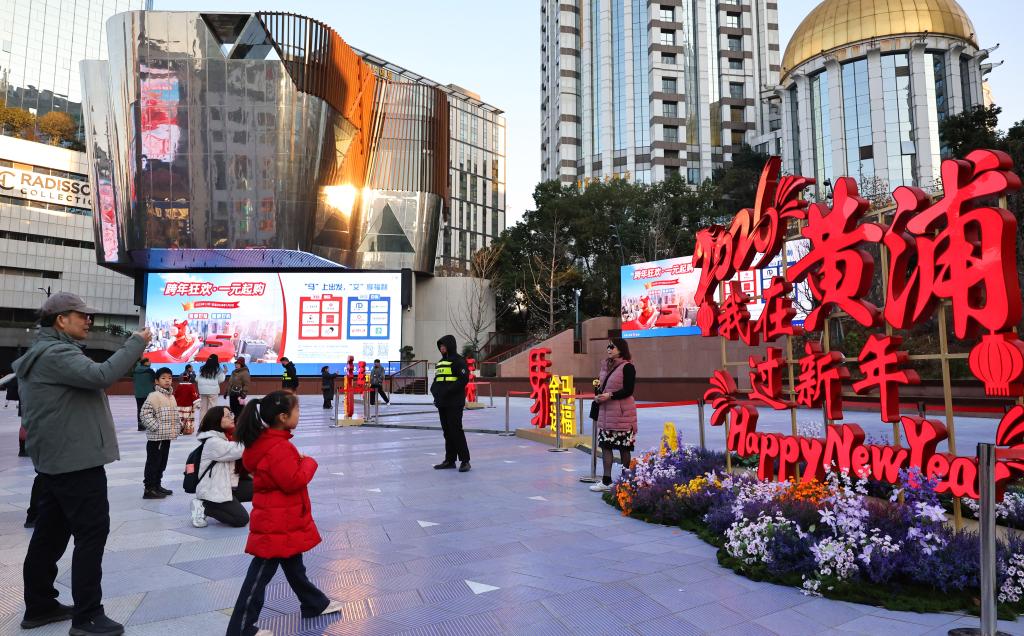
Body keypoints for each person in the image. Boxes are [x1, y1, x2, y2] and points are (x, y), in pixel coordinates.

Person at [15, 292, 149, 635]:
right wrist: (136, 343)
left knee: (50, 534)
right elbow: (102, 375)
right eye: (82, 315)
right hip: (76, 462)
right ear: (61, 320)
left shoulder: (46, 351)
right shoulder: (57, 353)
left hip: (58, 460)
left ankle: (40, 605)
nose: (89, 320)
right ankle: (88, 616)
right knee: (91, 533)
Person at [226, 391, 342, 635]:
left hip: (280, 516)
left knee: (294, 565)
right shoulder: (279, 447)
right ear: (282, 416)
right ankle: (241, 628)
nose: (299, 414)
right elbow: (293, 481)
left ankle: (314, 603)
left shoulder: (265, 441)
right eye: (296, 410)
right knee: (260, 574)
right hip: (276, 520)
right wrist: (308, 462)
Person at [589, 338, 637, 493]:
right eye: (608, 346)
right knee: (606, 446)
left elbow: (628, 390)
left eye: (612, 346)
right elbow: (602, 387)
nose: (608, 349)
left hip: (622, 415)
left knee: (624, 449)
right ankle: (606, 481)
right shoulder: (605, 367)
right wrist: (599, 395)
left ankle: (625, 481)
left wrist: (610, 395)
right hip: (605, 413)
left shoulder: (628, 367)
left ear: (621, 349)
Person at [191, 406, 251, 528]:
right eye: (227, 416)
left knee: (260, 487)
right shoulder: (213, 442)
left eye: (231, 414)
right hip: (213, 489)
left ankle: (227, 506)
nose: (232, 418)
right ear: (217, 420)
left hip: (227, 484)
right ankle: (204, 506)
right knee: (241, 519)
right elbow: (239, 450)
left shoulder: (228, 436)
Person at [139, 367, 182, 499]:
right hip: (156, 438)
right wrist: (156, 427)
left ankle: (157, 485)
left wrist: (179, 426)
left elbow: (174, 415)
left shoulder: (171, 396)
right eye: (163, 378)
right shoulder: (154, 396)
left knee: (162, 462)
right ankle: (149, 489)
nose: (167, 380)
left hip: (166, 436)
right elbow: (144, 414)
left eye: (169, 378)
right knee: (153, 463)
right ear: (156, 381)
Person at [430, 335, 470, 472]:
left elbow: (463, 379)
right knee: (447, 432)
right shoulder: (441, 362)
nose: (442, 348)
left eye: (444, 345)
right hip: (442, 402)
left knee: (456, 430)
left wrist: (448, 391)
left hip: (455, 402)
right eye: (440, 346)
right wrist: (435, 392)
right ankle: (450, 460)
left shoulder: (459, 361)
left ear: (450, 345)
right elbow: (437, 380)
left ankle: (465, 461)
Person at [197, 355, 225, 421]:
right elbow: (221, 379)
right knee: (212, 408)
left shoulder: (202, 368)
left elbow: (196, 379)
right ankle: (211, 423)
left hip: (203, 391)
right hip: (213, 391)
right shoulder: (218, 369)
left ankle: (202, 424)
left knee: (203, 408)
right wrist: (224, 373)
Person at [132, 358, 155, 432]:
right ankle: (150, 424)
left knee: (139, 409)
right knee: (150, 409)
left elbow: (134, 380)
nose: (150, 362)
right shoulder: (150, 371)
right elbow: (155, 380)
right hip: (149, 393)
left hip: (138, 393)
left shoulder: (135, 371)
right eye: (149, 361)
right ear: (145, 363)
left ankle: (140, 426)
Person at [173, 374, 200, 439]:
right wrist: (197, 404)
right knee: (187, 418)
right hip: (188, 405)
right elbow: (194, 395)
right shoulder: (191, 386)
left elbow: (175, 394)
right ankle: (187, 431)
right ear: (189, 379)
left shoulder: (179, 386)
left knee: (180, 418)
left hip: (179, 405)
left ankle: (179, 430)